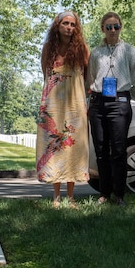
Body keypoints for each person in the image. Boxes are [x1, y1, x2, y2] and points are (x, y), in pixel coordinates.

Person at [87, 12, 135, 206]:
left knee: (119, 150)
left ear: (121, 27)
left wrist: (129, 95)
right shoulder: (96, 52)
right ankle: (104, 193)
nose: (113, 30)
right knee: (101, 150)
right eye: (108, 27)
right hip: (98, 104)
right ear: (102, 29)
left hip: (119, 103)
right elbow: (91, 78)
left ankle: (119, 194)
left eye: (116, 26)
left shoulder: (129, 50)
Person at [36, 11, 90, 208]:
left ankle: (71, 196)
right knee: (54, 146)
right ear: (57, 26)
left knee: (73, 148)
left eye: (73, 25)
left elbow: (87, 75)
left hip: (75, 104)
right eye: (65, 24)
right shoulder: (49, 48)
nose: (69, 27)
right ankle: (56, 197)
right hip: (54, 105)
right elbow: (46, 75)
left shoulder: (82, 48)